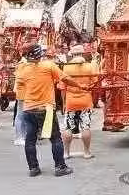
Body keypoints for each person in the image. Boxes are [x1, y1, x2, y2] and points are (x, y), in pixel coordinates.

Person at [16, 44, 86, 177]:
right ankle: (60, 167)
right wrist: (79, 85)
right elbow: (65, 79)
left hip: (29, 108)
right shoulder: (48, 66)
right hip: (46, 108)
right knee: (55, 138)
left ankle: (33, 168)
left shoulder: (22, 69)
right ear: (40, 55)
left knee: (30, 139)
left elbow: (20, 86)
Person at [62, 44, 98, 159]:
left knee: (68, 127)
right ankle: (86, 152)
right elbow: (94, 83)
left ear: (72, 54)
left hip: (70, 100)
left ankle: (66, 153)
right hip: (85, 99)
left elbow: (63, 87)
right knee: (85, 127)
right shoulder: (89, 66)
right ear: (82, 53)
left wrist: (64, 103)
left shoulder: (66, 67)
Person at [13, 52, 28, 146]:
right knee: (21, 115)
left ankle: (24, 136)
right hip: (23, 92)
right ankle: (19, 137)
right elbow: (21, 79)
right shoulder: (23, 64)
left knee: (24, 115)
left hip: (26, 92)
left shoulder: (25, 63)